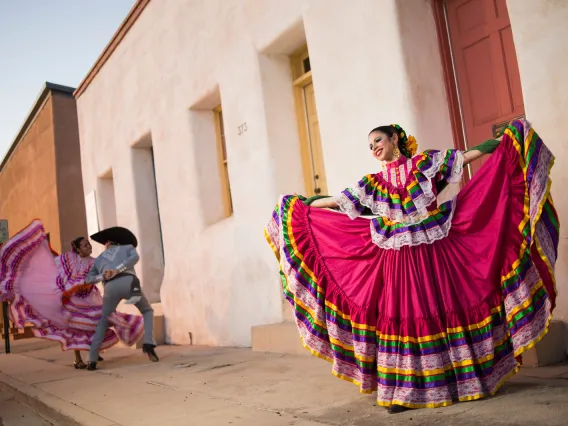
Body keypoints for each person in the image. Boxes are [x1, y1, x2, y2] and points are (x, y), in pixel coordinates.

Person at [264, 119, 558, 413]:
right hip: (397, 258)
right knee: (403, 315)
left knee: (444, 307)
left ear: (394, 138)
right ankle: (403, 393)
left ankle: (465, 381)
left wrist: (505, 139)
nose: (374, 148)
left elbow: (466, 156)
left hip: (435, 250)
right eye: (370, 146)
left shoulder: (425, 164)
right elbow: (337, 201)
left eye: (378, 141)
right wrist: (304, 203)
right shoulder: (372, 184)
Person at [0, 223, 145, 368]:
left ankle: (93, 351)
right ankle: (78, 359)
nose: (89, 247)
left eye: (89, 244)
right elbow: (52, 268)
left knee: (99, 322)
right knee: (75, 329)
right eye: (85, 245)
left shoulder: (95, 261)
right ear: (77, 248)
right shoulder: (67, 259)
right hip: (72, 300)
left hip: (89, 299)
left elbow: (102, 273)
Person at [85, 226, 158, 370]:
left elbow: (88, 280)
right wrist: (118, 270)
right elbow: (135, 258)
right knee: (147, 311)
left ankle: (92, 359)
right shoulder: (128, 247)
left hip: (110, 289)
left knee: (103, 321)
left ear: (107, 244)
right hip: (129, 283)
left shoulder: (99, 259)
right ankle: (149, 343)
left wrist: (103, 276)